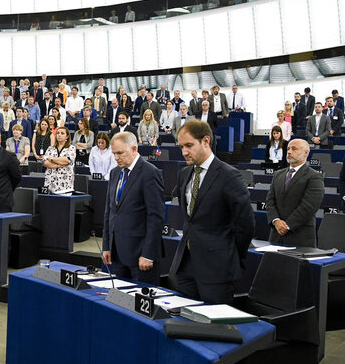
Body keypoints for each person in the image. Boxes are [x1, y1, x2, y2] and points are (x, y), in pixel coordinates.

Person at [167, 120, 253, 303]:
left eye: (189, 145)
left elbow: (245, 225)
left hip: (217, 268)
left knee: (214, 327)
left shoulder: (229, 176)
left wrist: (227, 255)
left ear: (206, 141)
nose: (184, 152)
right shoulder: (184, 174)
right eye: (181, 146)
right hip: (185, 265)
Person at [102, 131, 165, 285]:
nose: (116, 158)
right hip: (116, 254)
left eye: (120, 153)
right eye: (114, 153)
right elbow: (109, 212)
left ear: (134, 149)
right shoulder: (115, 172)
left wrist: (148, 254)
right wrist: (106, 246)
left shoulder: (150, 173)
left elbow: (155, 217)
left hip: (140, 256)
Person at [265, 139, 325, 247]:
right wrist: (276, 220)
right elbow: (270, 201)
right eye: (288, 149)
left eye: (294, 149)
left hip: (300, 237)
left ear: (306, 153)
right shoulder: (278, 174)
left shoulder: (314, 176)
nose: (289, 152)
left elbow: (309, 206)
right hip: (276, 235)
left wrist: (287, 226)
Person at [43, 127, 76, 192]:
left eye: (62, 133)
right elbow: (45, 163)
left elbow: (67, 160)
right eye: (58, 133)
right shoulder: (50, 148)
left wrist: (51, 159)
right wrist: (58, 165)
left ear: (67, 137)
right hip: (50, 182)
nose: (59, 135)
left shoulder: (71, 148)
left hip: (65, 183)